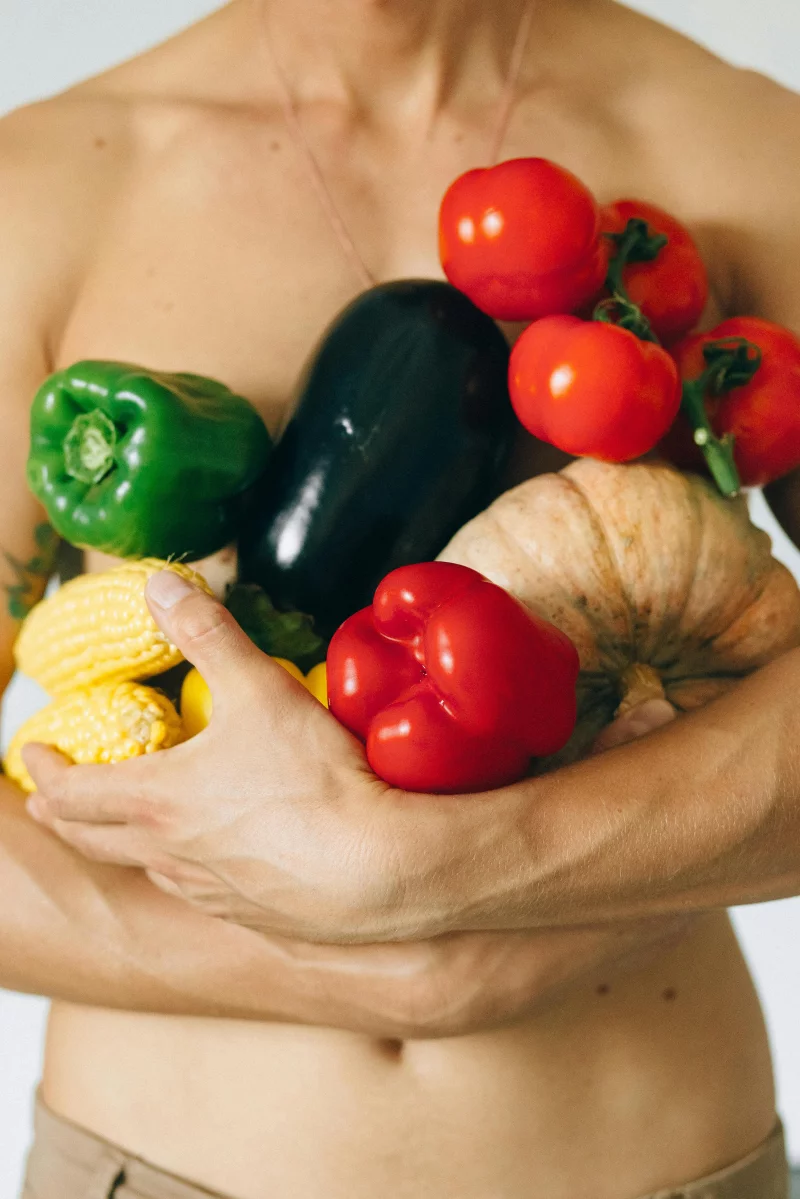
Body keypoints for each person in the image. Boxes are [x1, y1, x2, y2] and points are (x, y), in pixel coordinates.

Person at [2, 0, 800, 1195]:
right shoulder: (49, 186)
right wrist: (358, 961)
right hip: (161, 1167)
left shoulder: (737, 150)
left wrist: (481, 871)